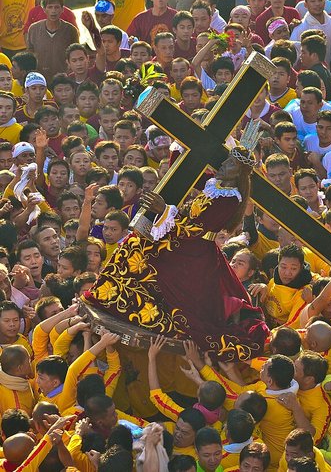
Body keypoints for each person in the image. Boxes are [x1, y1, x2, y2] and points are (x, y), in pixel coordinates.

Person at [84, 147, 269, 360]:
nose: (224, 166)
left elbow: (195, 229)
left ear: (238, 174)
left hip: (194, 253)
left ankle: (134, 308)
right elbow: (189, 170)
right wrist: (182, 147)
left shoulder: (230, 199)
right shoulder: (215, 185)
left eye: (230, 165)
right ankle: (106, 294)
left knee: (144, 253)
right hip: (180, 245)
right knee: (136, 242)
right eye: (225, 162)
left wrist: (164, 209)